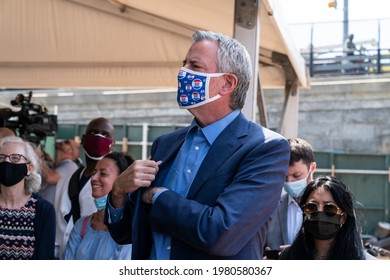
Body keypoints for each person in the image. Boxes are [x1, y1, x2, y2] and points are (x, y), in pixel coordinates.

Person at [104, 30, 290, 260]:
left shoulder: (265, 148)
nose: (183, 73)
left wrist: (160, 197)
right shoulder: (166, 144)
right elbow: (127, 233)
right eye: (184, 64)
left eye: (195, 66)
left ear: (227, 83)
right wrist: (119, 192)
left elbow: (221, 234)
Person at [54, 117, 115, 258]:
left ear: (112, 144)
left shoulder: (113, 186)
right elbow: (59, 224)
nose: (99, 137)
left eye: (105, 135)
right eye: (94, 132)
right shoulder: (66, 179)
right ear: (83, 139)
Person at [279, 175, 376, 260]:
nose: (319, 212)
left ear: (343, 218)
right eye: (311, 207)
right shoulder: (288, 257)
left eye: (329, 208)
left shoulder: (364, 262)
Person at [61, 152, 133, 260]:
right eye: (94, 173)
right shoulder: (81, 225)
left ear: (121, 181)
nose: (94, 178)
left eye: (103, 173)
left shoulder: (128, 230)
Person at [0, 136, 55, 259]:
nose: (7, 162)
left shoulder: (43, 209)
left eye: (15, 158)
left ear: (29, 168)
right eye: (1, 158)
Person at [266, 138, 317, 253]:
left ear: (312, 168)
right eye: (284, 177)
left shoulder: (332, 205)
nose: (289, 182)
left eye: (297, 175)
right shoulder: (272, 206)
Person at [39, 139, 80, 205]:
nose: (62, 142)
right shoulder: (59, 165)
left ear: (70, 150)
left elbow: (50, 178)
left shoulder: (71, 166)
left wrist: (38, 157)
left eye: (67, 142)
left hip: (49, 212)